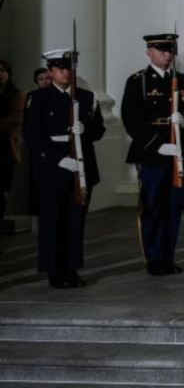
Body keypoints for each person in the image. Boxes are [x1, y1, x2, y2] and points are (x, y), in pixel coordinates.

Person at [122, 33, 184, 276]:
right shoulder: (139, 81)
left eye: (169, 51)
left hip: (178, 150)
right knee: (153, 205)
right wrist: (157, 144)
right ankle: (154, 258)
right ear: (149, 52)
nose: (167, 55)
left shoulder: (183, 81)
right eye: (161, 50)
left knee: (174, 205)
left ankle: (168, 256)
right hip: (152, 153)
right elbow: (132, 120)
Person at [24, 49, 105, 287]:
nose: (66, 73)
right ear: (50, 71)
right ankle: (54, 271)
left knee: (75, 221)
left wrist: (86, 130)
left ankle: (71, 269)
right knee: (52, 221)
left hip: (80, 166)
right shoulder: (38, 98)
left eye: (69, 68)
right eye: (60, 69)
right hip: (52, 168)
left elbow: (99, 130)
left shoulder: (87, 97)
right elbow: (32, 137)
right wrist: (57, 159)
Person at [0, 60, 20, 227]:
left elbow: (15, 119)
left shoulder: (16, 94)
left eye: (3, 70)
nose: (0, 74)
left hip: (5, 146)